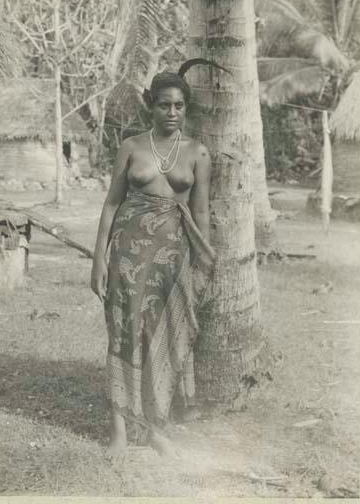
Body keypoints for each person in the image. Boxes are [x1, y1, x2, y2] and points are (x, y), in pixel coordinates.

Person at [91, 59, 222, 458]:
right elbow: (112, 206)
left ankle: (157, 427)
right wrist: (98, 260)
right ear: (151, 105)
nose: (172, 113)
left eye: (179, 106)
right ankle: (118, 429)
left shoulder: (197, 152)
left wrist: (204, 261)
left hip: (173, 260)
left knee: (164, 337)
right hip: (128, 257)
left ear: (186, 108)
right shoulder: (131, 147)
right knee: (124, 331)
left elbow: (200, 214)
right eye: (164, 105)